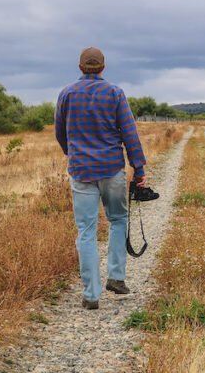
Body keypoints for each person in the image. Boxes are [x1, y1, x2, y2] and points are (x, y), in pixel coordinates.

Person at [55, 46, 147, 310]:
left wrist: (71, 154)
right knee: (118, 220)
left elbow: (60, 131)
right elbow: (129, 132)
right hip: (112, 169)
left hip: (82, 171)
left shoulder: (67, 94)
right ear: (103, 68)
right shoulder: (115, 93)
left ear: (80, 67)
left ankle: (91, 295)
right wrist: (138, 168)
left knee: (86, 231)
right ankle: (116, 278)